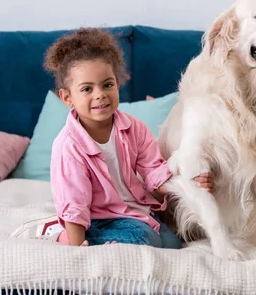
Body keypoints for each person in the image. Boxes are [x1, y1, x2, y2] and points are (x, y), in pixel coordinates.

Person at [42, 27, 213, 248]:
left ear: (117, 84)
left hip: (134, 212)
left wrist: (188, 178)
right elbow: (74, 202)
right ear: (67, 98)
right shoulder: (69, 146)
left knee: (172, 244)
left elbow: (154, 173)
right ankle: (59, 235)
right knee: (144, 239)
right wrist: (76, 246)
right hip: (98, 220)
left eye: (107, 85)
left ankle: (141, 231)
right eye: (87, 89)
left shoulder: (134, 128)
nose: (100, 94)